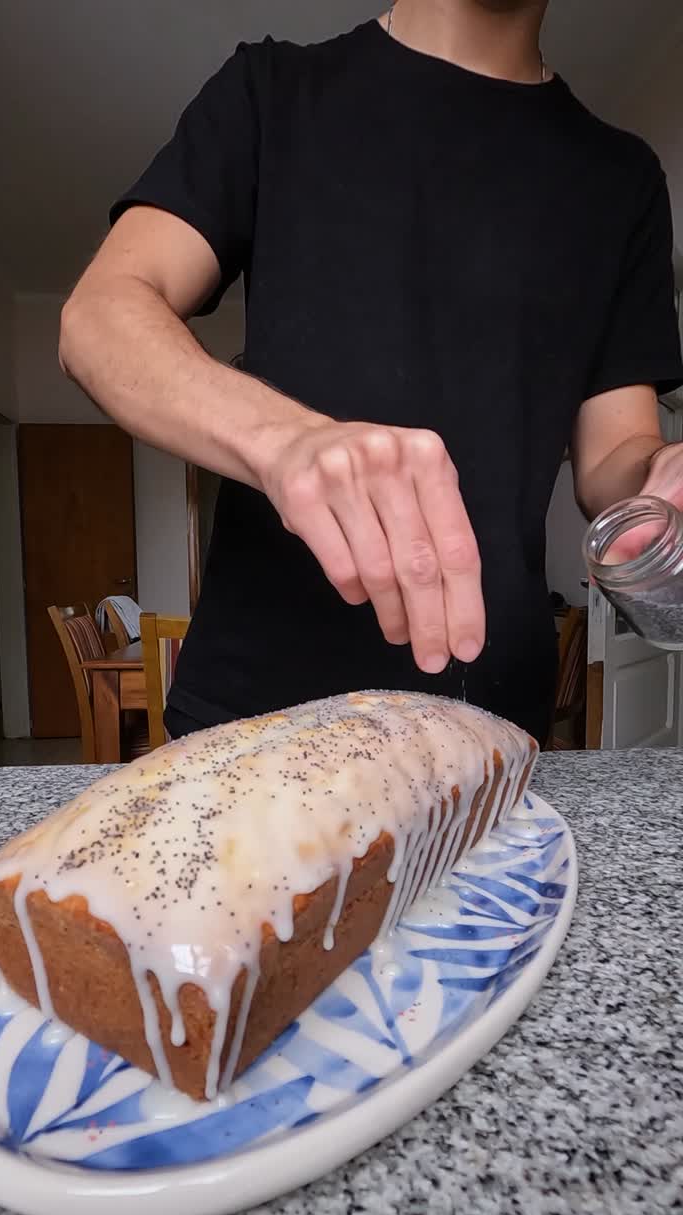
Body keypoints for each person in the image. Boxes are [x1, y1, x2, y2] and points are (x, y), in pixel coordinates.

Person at [59, 0, 683, 745]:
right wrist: (285, 441)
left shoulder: (622, 180)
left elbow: (617, 456)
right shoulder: (271, 89)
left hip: (487, 722)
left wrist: (664, 480)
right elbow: (98, 318)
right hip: (252, 714)